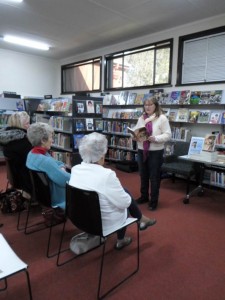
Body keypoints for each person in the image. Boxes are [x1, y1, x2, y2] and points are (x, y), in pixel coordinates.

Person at [69, 132, 156, 250]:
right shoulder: (107, 175)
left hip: (79, 219)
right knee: (124, 203)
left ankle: (141, 220)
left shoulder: (75, 169)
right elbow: (125, 203)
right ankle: (121, 239)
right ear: (101, 156)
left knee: (123, 191)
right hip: (102, 224)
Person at [133, 96, 171, 210]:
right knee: (143, 175)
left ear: (156, 106)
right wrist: (135, 136)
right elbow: (137, 131)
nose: (148, 107)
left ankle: (154, 201)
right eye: (146, 105)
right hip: (141, 150)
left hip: (156, 152)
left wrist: (156, 138)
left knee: (154, 177)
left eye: (150, 105)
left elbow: (168, 135)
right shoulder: (141, 118)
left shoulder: (162, 118)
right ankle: (144, 196)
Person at [26, 122, 70, 210]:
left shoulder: (32, 154)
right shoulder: (45, 161)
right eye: (51, 137)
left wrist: (61, 166)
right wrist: (63, 170)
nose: (52, 140)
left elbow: (57, 163)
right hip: (57, 197)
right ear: (43, 140)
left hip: (41, 195)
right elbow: (66, 180)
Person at [0, 111, 32, 197]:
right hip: (25, 178)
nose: (29, 126)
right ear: (19, 124)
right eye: (27, 124)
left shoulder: (6, 138)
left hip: (14, 176)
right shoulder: (22, 141)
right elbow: (33, 159)